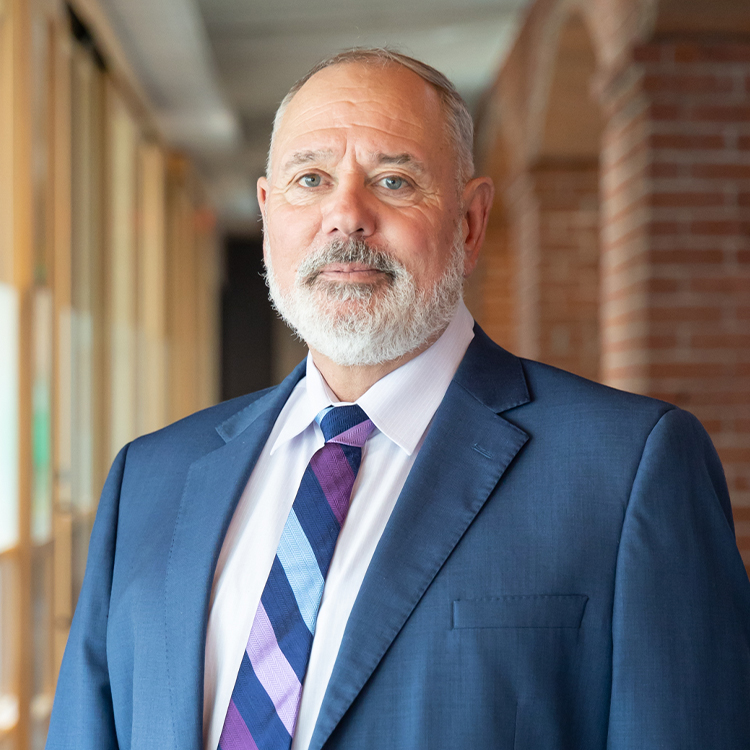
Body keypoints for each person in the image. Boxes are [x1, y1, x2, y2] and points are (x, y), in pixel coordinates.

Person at [47, 49, 750, 750]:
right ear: (268, 214)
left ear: (470, 223)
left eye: (393, 180)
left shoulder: (628, 471)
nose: (346, 216)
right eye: (311, 179)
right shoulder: (150, 478)